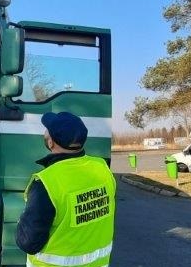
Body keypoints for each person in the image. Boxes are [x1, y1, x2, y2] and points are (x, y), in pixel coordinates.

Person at [16, 111, 116, 267]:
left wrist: (22, 220)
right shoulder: (102, 168)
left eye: (46, 130)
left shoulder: (46, 182)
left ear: (51, 143)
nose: (45, 133)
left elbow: (28, 243)